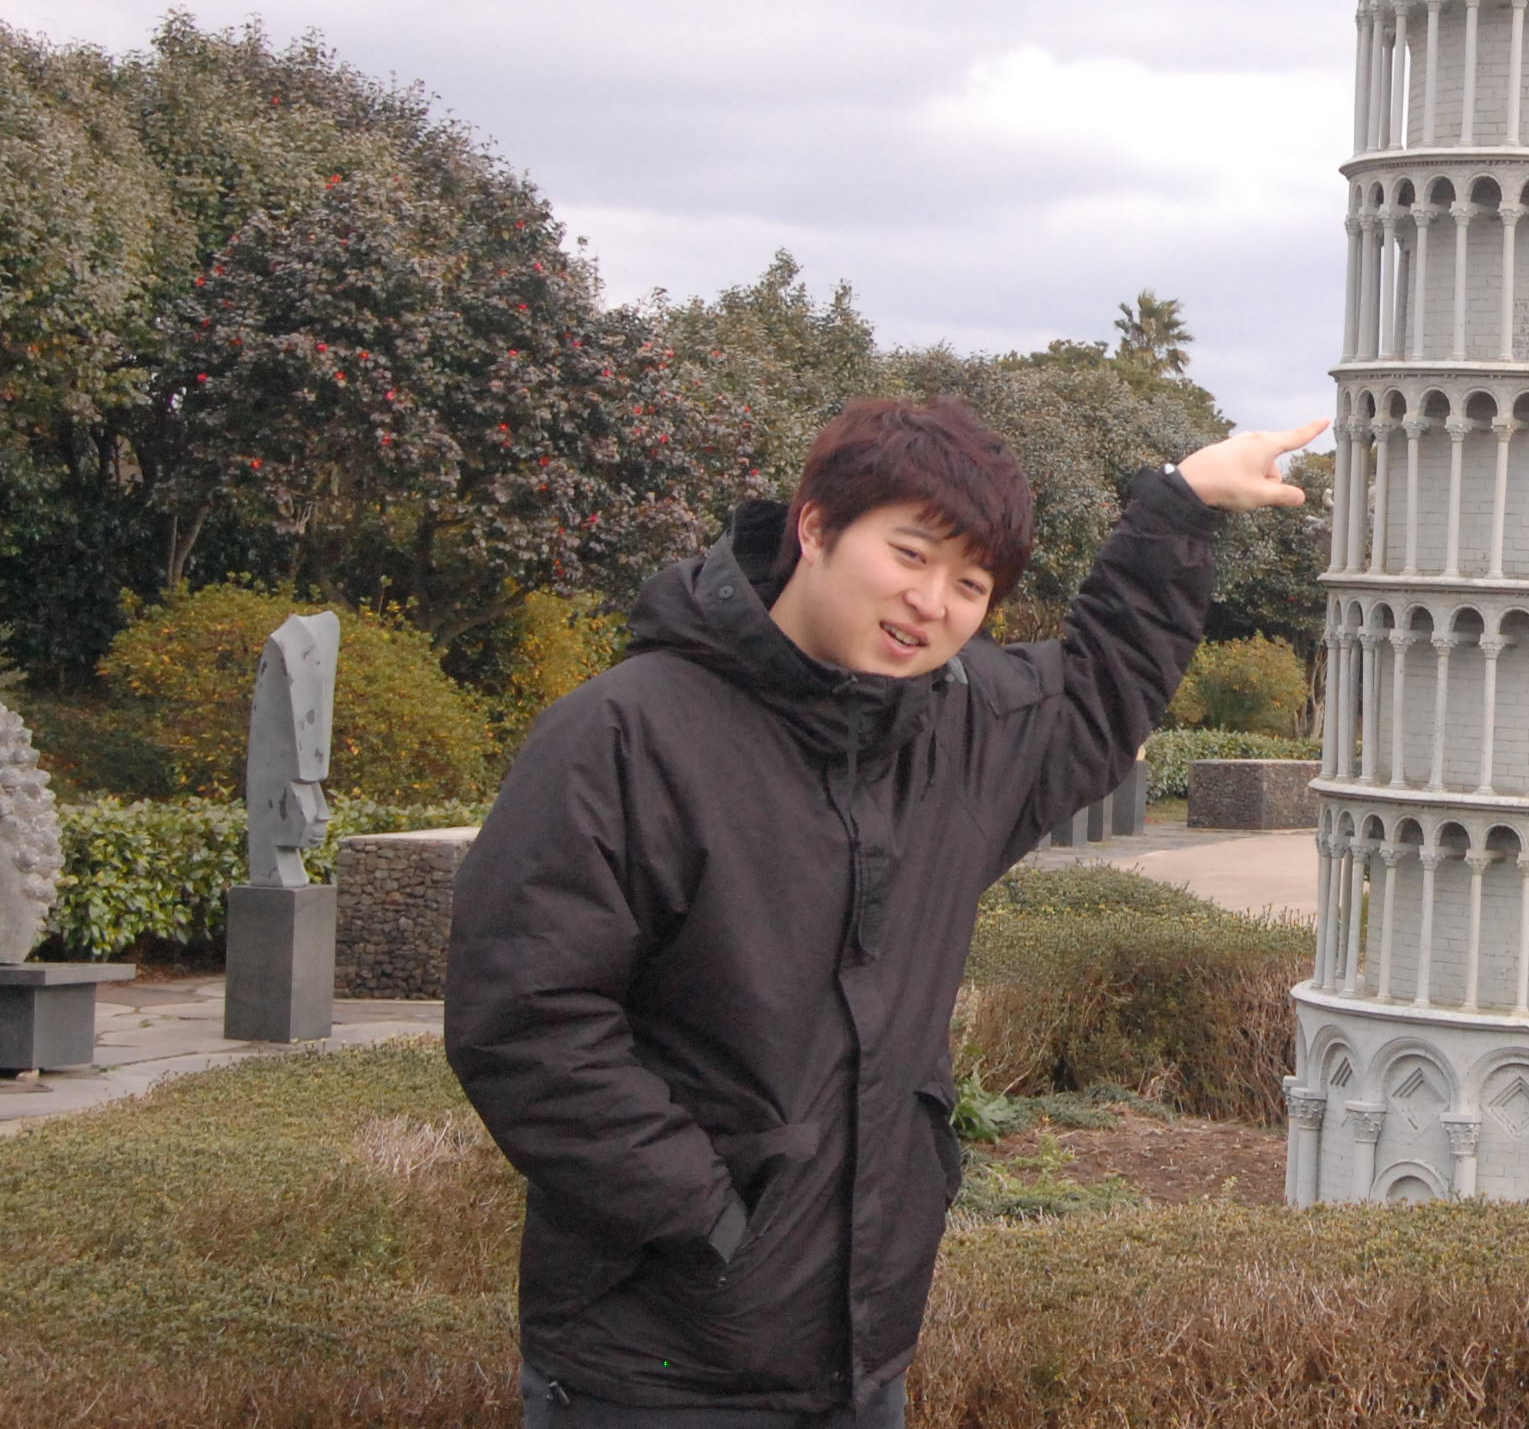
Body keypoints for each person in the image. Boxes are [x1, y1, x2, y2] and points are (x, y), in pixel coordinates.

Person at [445, 395, 1324, 1428]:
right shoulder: (625, 735)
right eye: (909, 554)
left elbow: (1099, 690)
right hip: (655, 1369)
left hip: (862, 1356)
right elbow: (528, 1019)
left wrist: (1178, 506)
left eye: (970, 584)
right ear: (816, 525)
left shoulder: (953, 731)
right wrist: (708, 1222)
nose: (930, 602)